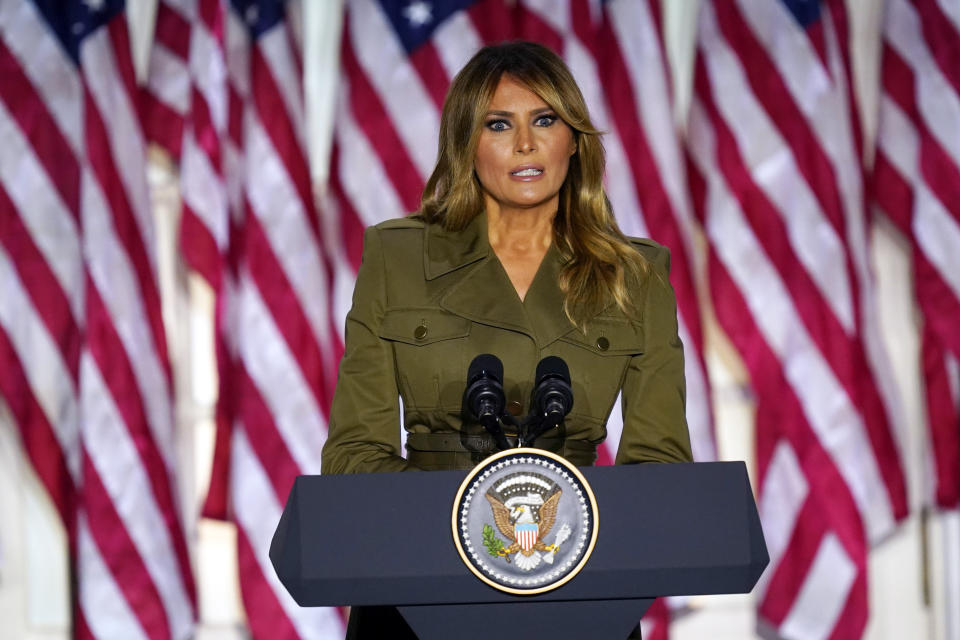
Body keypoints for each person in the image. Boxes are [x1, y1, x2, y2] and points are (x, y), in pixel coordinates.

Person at [323, 40, 693, 638]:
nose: (525, 144)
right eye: (499, 124)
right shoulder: (397, 257)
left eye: (544, 120)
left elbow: (660, 465)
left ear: (574, 139)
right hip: (417, 590)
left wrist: (562, 528)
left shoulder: (637, 273)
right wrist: (464, 527)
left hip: (580, 588)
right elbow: (351, 458)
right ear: (466, 145)